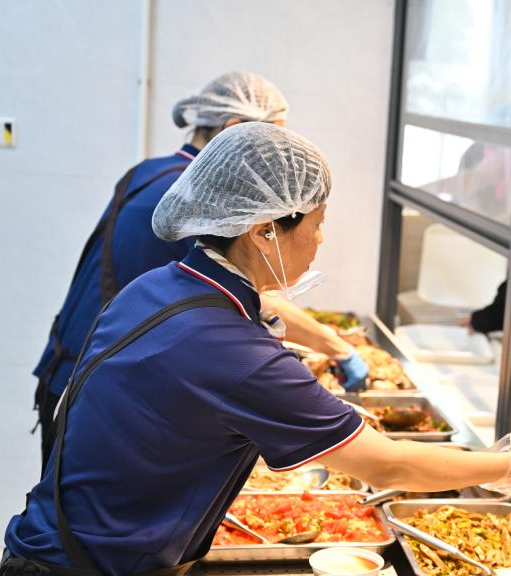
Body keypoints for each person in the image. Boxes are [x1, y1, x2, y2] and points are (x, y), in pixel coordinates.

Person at [0, 123, 511, 576]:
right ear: (265, 230)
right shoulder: (230, 349)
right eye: (317, 225)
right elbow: (389, 464)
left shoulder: (164, 284)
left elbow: (228, 353)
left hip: (60, 567)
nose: (321, 240)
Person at [31, 71, 367, 463]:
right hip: (96, 386)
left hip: (84, 369)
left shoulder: (155, 171)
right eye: (271, 138)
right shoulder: (198, 202)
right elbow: (244, 295)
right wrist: (337, 348)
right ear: (233, 128)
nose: (278, 157)